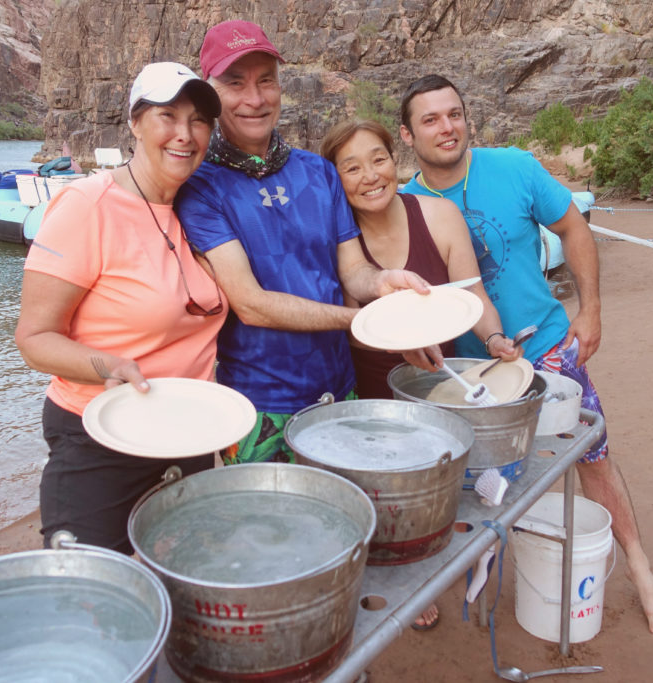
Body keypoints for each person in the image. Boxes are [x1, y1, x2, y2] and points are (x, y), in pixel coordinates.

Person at [397, 74, 653, 637]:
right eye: (430, 119)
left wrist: (591, 309)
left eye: (454, 113)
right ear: (407, 134)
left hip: (546, 348)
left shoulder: (515, 166)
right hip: (465, 371)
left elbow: (573, 226)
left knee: (592, 455)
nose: (446, 127)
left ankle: (641, 569)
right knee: (464, 477)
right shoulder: (405, 202)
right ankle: (471, 560)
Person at [176, 22, 433, 630]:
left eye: (266, 81)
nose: (255, 97)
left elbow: (354, 272)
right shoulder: (202, 189)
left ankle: (341, 641)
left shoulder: (318, 174)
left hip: (334, 391)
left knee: (337, 524)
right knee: (269, 543)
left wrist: (385, 284)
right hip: (259, 405)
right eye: (235, 83)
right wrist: (361, 320)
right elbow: (251, 303)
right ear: (210, 93)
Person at [14, 62, 227, 554]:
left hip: (186, 431)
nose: (185, 134)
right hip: (100, 434)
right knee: (90, 594)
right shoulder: (87, 205)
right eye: (167, 115)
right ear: (134, 122)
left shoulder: (200, 206)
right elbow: (34, 338)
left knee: (176, 576)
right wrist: (107, 365)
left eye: (198, 120)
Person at [319, 118, 522, 398]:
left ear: (394, 160)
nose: (370, 176)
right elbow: (353, 332)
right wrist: (409, 338)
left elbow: (473, 294)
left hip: (443, 387)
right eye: (352, 168)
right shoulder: (337, 239)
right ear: (333, 179)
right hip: (372, 397)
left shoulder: (442, 216)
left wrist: (494, 339)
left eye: (379, 160)